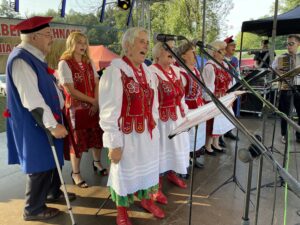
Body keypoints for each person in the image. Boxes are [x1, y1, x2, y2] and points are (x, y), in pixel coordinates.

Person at [5, 16, 74, 221]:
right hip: (34, 122)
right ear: (34, 37)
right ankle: (33, 208)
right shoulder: (21, 59)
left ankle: (53, 192)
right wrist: (52, 126)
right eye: (48, 35)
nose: (51, 38)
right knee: (39, 164)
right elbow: (32, 100)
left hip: (45, 119)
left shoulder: (34, 56)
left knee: (52, 160)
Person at [99, 27, 165, 225]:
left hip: (147, 133)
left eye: (147, 42)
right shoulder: (115, 72)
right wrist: (114, 144)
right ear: (127, 45)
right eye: (141, 41)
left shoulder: (147, 72)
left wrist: (154, 127)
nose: (146, 45)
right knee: (124, 172)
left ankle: (146, 200)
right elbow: (108, 111)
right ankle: (122, 210)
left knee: (148, 170)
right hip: (126, 136)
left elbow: (154, 105)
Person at [58, 32, 107, 189]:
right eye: (79, 42)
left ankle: (97, 162)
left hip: (92, 106)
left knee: (96, 135)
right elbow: (70, 89)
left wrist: (96, 101)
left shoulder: (88, 62)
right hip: (76, 109)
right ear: (72, 43)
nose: (83, 46)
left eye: (85, 43)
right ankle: (76, 173)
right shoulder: (64, 63)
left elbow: (96, 82)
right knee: (77, 141)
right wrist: (92, 101)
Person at [149, 40, 190, 205]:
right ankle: (156, 187)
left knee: (176, 148)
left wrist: (185, 112)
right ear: (158, 53)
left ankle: (172, 173)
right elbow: (151, 101)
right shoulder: (151, 72)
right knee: (160, 151)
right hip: (161, 121)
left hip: (177, 118)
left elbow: (181, 96)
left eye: (174, 49)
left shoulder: (177, 71)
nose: (172, 52)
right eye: (168, 49)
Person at [177, 41, 206, 169]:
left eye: (195, 51)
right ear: (183, 55)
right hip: (189, 109)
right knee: (187, 136)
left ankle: (192, 158)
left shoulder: (196, 70)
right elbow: (180, 96)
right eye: (192, 51)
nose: (195, 53)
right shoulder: (181, 72)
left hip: (199, 106)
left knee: (197, 135)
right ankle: (185, 161)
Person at [202, 40, 234, 155]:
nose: (225, 52)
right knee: (212, 123)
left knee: (221, 122)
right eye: (222, 50)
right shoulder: (209, 67)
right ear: (214, 52)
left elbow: (228, 81)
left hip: (224, 97)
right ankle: (207, 145)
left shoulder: (224, 65)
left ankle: (216, 143)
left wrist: (230, 94)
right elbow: (208, 87)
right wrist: (212, 102)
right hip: (215, 99)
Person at [272, 34, 300, 143]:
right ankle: (284, 134)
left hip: (299, 87)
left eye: (291, 44)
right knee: (285, 113)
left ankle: (299, 134)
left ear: (298, 44)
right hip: (285, 87)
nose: (288, 46)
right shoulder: (281, 57)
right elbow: (273, 69)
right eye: (287, 44)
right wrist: (278, 71)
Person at [223, 35, 239, 141]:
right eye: (232, 46)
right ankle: (219, 134)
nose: (234, 48)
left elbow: (237, 72)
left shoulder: (235, 59)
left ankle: (228, 131)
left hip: (233, 86)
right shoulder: (221, 59)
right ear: (226, 47)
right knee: (223, 111)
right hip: (224, 88)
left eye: (234, 46)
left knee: (231, 110)